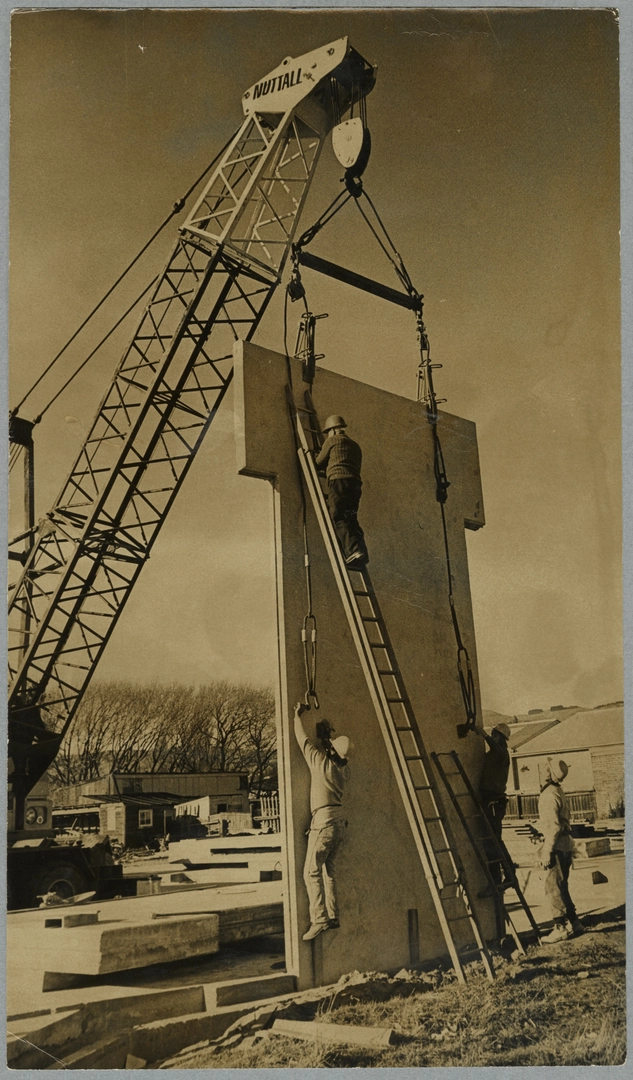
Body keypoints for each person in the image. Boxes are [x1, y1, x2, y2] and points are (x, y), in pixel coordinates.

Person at [293, 702, 353, 941]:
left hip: (324, 821)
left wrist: (297, 716)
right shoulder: (344, 770)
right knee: (329, 871)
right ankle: (334, 915)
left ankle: (319, 919)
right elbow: (337, 752)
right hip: (339, 822)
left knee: (310, 872)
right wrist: (331, 741)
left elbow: (303, 740)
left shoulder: (321, 764)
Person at [539, 758, 584, 942]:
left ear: (549, 773)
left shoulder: (548, 795)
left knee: (553, 887)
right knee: (562, 886)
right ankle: (575, 922)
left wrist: (546, 851)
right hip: (565, 845)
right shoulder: (558, 791)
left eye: (545, 767)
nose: (542, 770)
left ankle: (560, 928)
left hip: (556, 846)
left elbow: (554, 828)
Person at [315, 415, 368, 567]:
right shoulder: (355, 445)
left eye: (328, 432)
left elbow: (319, 462)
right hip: (355, 484)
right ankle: (362, 552)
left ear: (332, 430)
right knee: (351, 518)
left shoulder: (332, 441)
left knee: (339, 516)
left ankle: (353, 551)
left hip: (339, 482)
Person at [476, 723, 511, 882]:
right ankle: (496, 877)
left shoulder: (502, 753)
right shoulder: (493, 755)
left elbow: (496, 749)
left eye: (494, 735)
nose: (492, 737)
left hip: (494, 801)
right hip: (487, 799)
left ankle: (509, 874)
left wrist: (483, 734)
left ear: (500, 738)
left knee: (495, 840)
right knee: (490, 842)